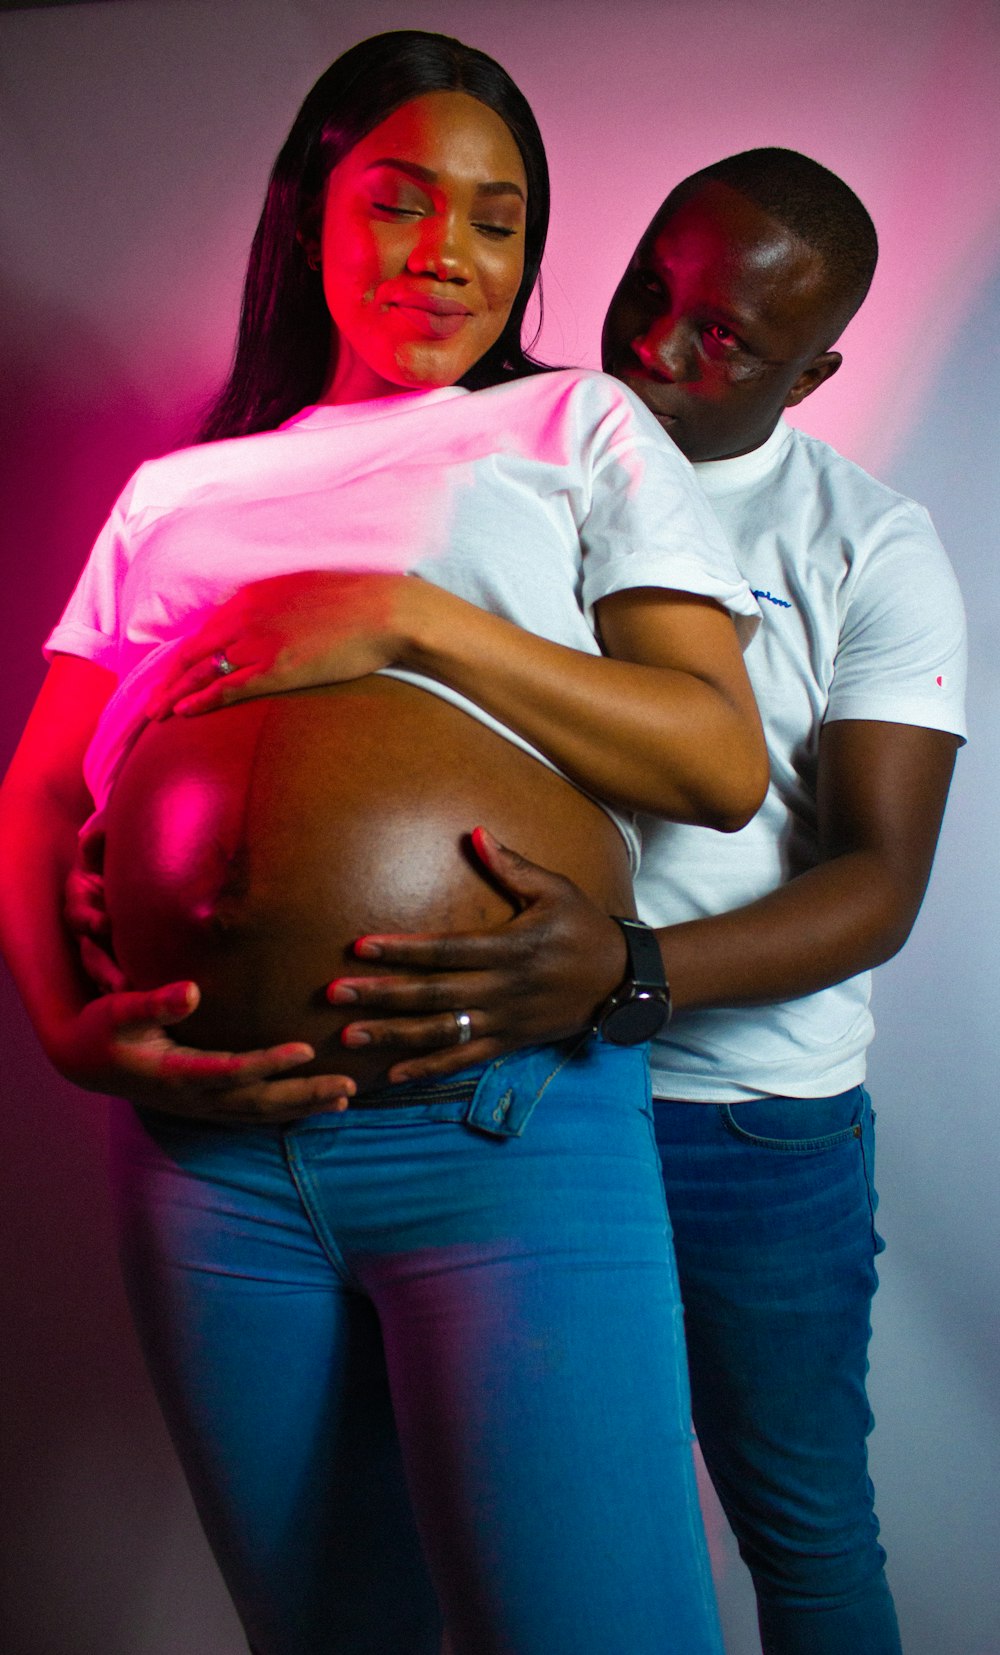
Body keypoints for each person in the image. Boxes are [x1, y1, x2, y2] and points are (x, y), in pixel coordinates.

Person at [0, 32, 772, 1655]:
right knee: (327, 1634)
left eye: (495, 221)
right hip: (203, 1159)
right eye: (400, 202)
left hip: (500, 1126)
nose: (447, 255)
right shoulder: (174, 493)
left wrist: (402, 624)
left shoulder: (578, 430)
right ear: (308, 219)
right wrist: (75, 1035)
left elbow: (712, 756)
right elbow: (38, 793)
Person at [285, 151, 964, 1655]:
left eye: (723, 335)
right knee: (479, 1534)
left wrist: (631, 971)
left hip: (746, 1121)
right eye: (646, 288)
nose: (656, 346)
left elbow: (877, 884)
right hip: (492, 1091)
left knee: (802, 1528)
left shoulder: (870, 544)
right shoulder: (506, 457)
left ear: (815, 368)